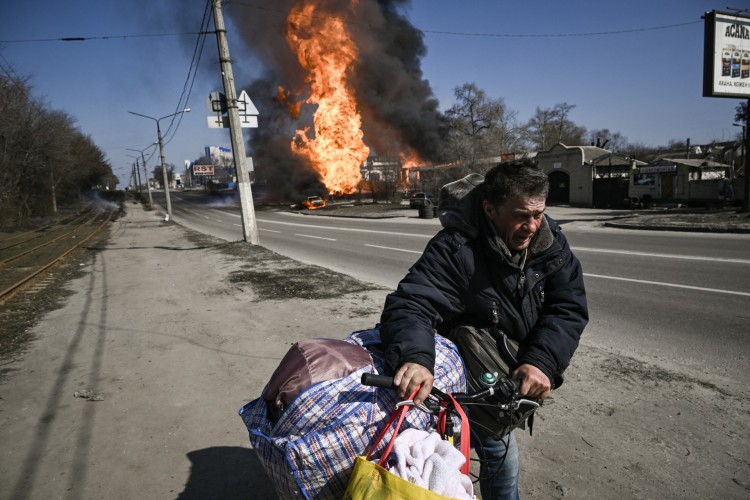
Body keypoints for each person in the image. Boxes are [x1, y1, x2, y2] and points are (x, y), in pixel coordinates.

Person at [380, 161, 588, 499]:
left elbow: (568, 306)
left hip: (510, 372)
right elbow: (413, 303)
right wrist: (416, 358)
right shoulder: (455, 248)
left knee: (485, 449)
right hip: (464, 378)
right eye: (522, 215)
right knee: (497, 455)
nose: (533, 226)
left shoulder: (550, 241)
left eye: (539, 214)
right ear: (490, 209)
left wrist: (542, 362)